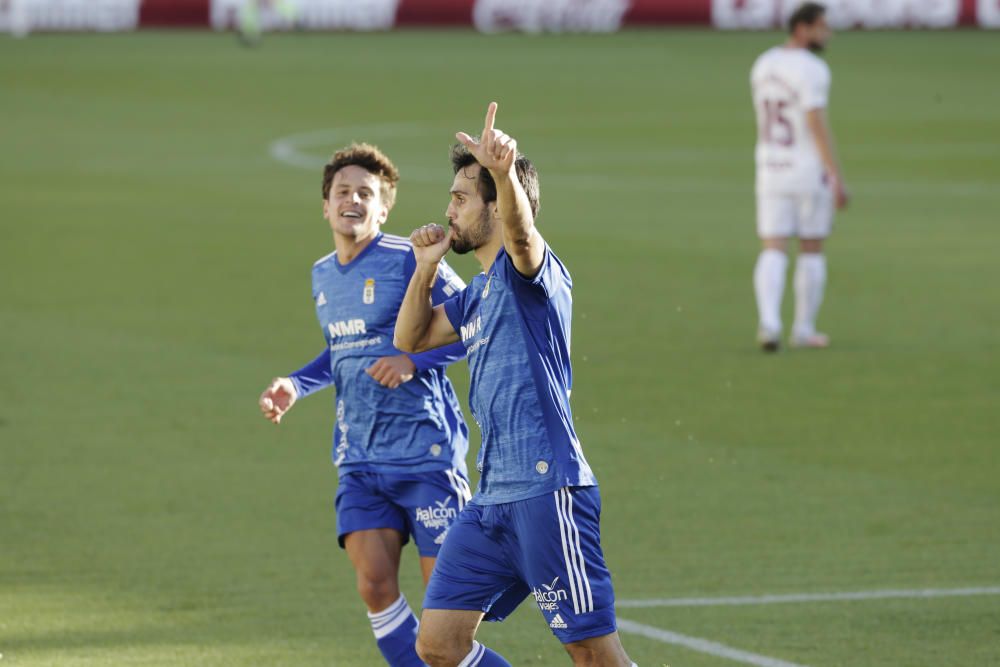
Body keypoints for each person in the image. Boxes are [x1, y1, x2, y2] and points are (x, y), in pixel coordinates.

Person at [394, 104, 636, 667]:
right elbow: (411, 337)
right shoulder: (477, 293)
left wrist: (502, 173)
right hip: (491, 503)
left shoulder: (531, 274)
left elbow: (522, 237)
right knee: (437, 644)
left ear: (495, 206)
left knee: (595, 655)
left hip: (547, 494)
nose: (448, 210)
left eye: (460, 198)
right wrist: (425, 266)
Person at [258, 143, 471, 667]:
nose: (352, 200)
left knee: (446, 614)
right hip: (361, 460)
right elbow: (343, 348)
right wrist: (296, 384)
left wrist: (413, 362)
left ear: (383, 208)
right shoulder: (323, 275)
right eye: (342, 192)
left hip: (428, 457)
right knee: (375, 587)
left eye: (365, 193)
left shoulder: (410, 259)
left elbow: (478, 320)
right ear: (326, 206)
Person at [751, 1, 849, 351]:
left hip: (770, 166)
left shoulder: (763, 63)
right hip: (807, 169)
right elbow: (814, 122)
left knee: (773, 246)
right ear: (803, 28)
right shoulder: (813, 69)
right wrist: (835, 174)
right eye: (823, 27)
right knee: (811, 246)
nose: (828, 34)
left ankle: (769, 322)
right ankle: (804, 329)